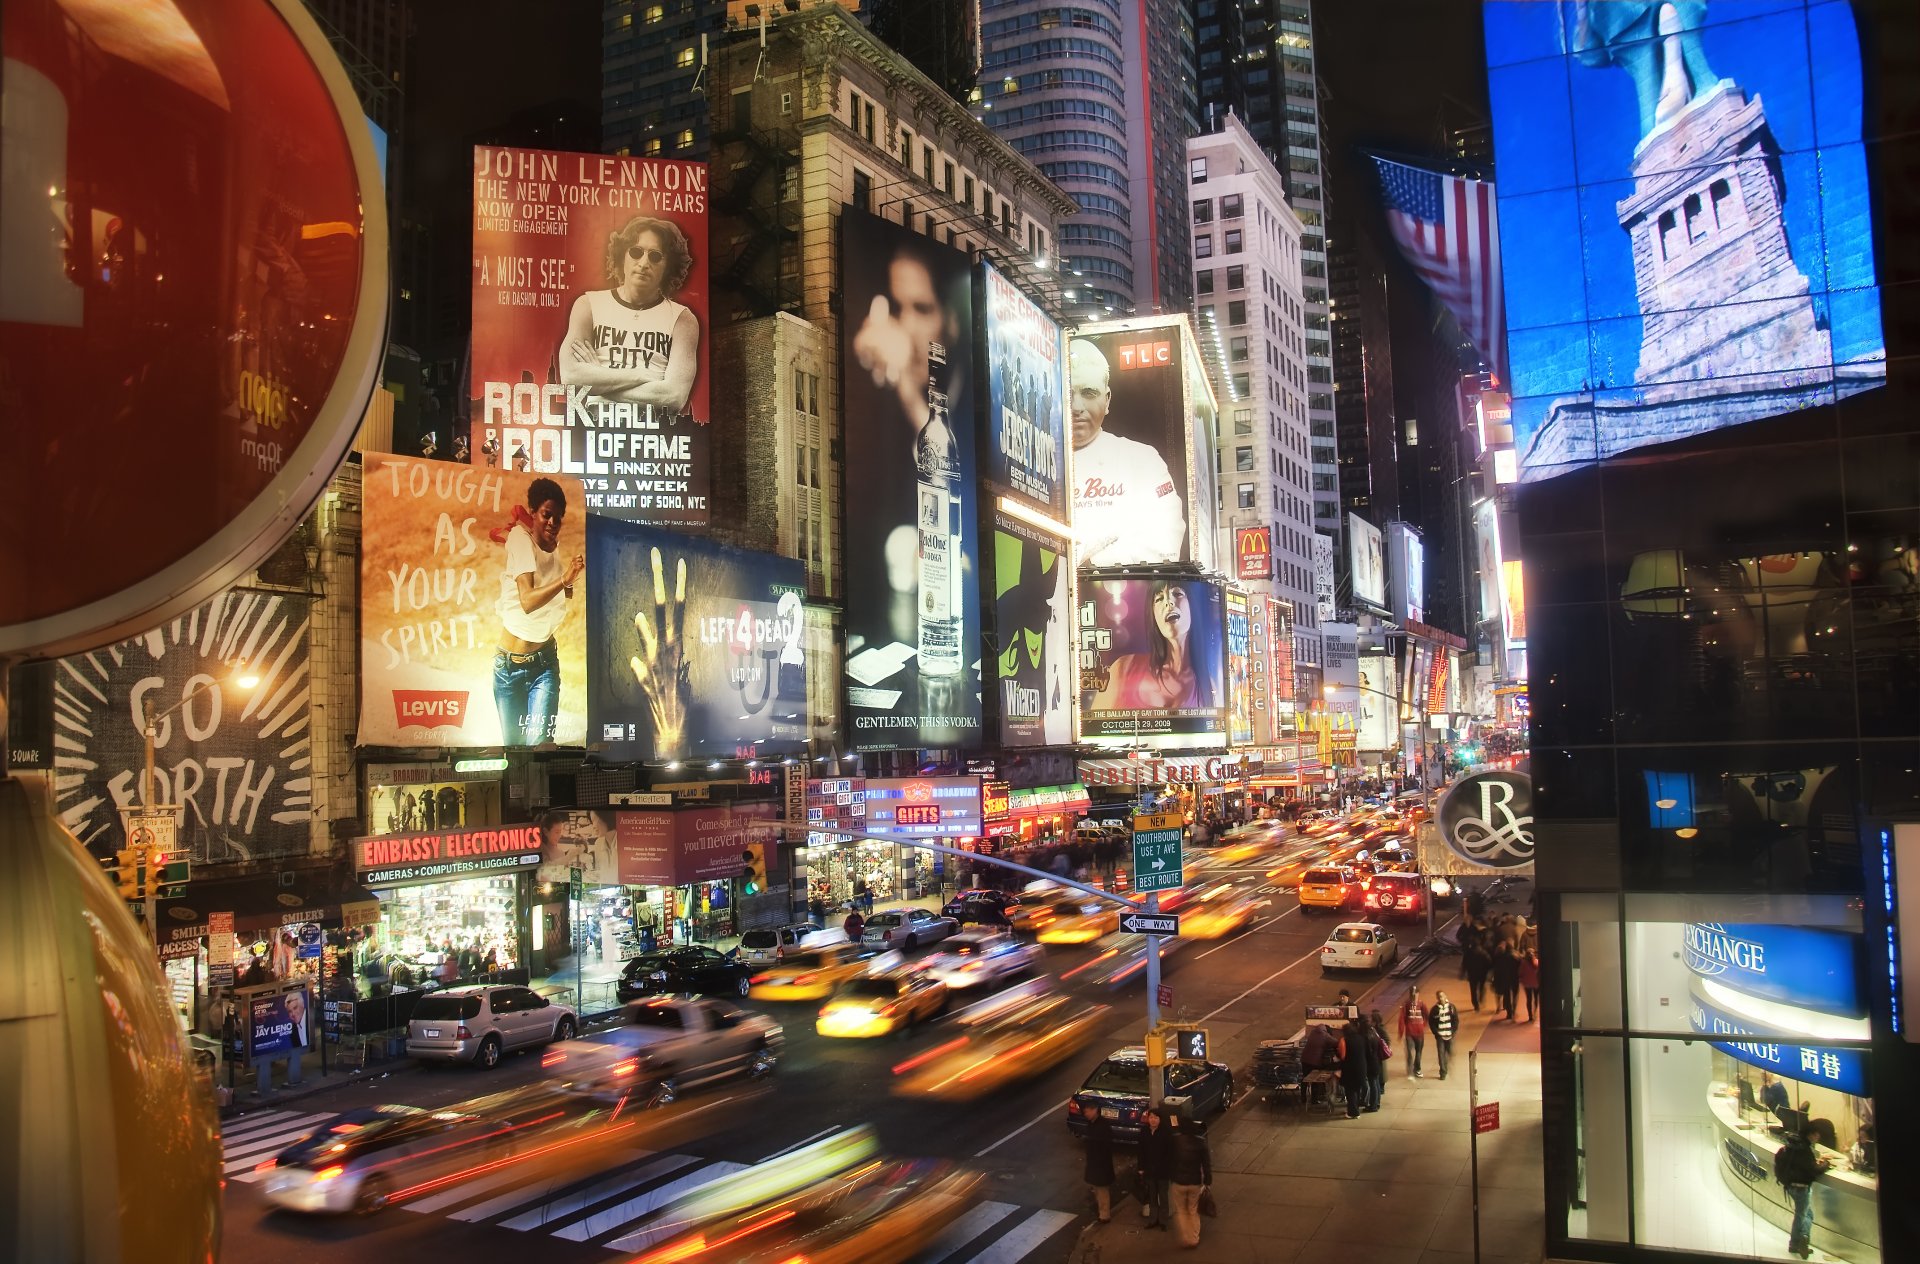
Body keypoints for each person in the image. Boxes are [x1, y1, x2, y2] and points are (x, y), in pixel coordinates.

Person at [560, 216, 701, 418]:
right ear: (622, 255)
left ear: (668, 266)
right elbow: (571, 377)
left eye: (655, 256)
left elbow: (673, 397)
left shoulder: (682, 320)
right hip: (595, 433)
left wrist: (599, 379)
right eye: (636, 252)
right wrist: (644, 375)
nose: (643, 263)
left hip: (653, 438)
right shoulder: (588, 305)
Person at [1067, 339, 1186, 567]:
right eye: (1067, 393)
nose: (1076, 406)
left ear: (1107, 399)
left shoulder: (1142, 460)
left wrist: (1092, 559)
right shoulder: (1030, 464)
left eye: (1089, 393)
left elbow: (1166, 538)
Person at [490, 476, 584, 746]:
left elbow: (557, 591)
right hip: (508, 668)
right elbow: (528, 601)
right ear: (532, 512)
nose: (553, 522)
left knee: (541, 749)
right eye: (547, 514)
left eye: (558, 517)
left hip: (544, 664)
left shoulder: (553, 546)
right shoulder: (521, 539)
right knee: (516, 755)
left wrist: (568, 583)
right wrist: (565, 580)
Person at [1091, 581, 1218, 713]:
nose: (1168, 602)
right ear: (1153, 615)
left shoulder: (1208, 686)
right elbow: (1091, 727)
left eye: (1177, 593)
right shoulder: (1122, 669)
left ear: (1193, 605)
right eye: (1159, 598)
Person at [1774, 1118, 1828, 1258]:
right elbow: (1813, 1170)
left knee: (1806, 1214)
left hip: (1790, 1185)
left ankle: (1801, 1239)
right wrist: (1825, 1164)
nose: (1818, 1137)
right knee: (1801, 1215)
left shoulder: (1792, 1143)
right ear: (1811, 1134)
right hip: (1801, 1188)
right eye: (1817, 1135)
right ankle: (1797, 1241)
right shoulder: (1805, 1150)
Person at [1165, 1115, 1213, 1249]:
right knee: (1193, 1210)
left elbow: (1169, 1160)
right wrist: (1208, 1180)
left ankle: (1185, 1237)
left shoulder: (1175, 1141)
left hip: (1178, 1181)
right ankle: (1194, 1238)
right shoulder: (1200, 1142)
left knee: (1180, 1210)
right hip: (1195, 1182)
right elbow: (1206, 1164)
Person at [1137, 1106, 1172, 1228]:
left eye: (1156, 1118)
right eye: (1151, 1117)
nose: (1153, 1120)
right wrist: (1140, 1168)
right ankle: (1153, 1219)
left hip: (1162, 1171)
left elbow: (1170, 1153)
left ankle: (1163, 1221)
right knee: (1152, 1196)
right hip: (1149, 1170)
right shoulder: (1144, 1132)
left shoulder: (1166, 1132)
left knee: (1163, 1196)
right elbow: (1140, 1151)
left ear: (1160, 1119)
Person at [1082, 1111, 1117, 1223]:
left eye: (1088, 1111)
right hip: (1095, 1163)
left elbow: (1105, 1145)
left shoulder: (1102, 1126)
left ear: (1095, 1111)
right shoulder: (1092, 1124)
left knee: (1102, 1190)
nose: (1086, 1114)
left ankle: (1104, 1215)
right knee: (1097, 1189)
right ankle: (1102, 1212)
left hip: (1101, 1164)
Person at [1337, 1015, 1371, 1119]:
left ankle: (1353, 1113)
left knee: (1350, 1091)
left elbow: (1342, 1056)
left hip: (1349, 1069)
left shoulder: (1344, 1040)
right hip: (1361, 1067)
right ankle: (1354, 1109)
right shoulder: (1361, 1038)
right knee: (1356, 1090)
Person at [1397, 987, 1429, 1079]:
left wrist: (1423, 1025)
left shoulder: (1422, 1004)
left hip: (1419, 1033)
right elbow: (1402, 1019)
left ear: (1418, 994)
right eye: (1412, 994)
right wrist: (1400, 1032)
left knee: (1418, 1052)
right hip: (1409, 1033)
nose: (1414, 996)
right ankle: (1410, 1070)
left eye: (1416, 994)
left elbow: (1427, 1015)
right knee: (1410, 1053)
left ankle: (1417, 1069)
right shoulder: (1406, 1005)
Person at [1429, 990, 1460, 1080]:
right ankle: (1443, 1072)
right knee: (1441, 1054)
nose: (1441, 998)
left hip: (1449, 1034)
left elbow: (1455, 1020)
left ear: (1445, 996)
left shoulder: (1451, 1007)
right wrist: (1436, 1032)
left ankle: (1446, 1064)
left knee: (1450, 1052)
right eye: (1439, 997)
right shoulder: (1435, 1009)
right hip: (1440, 1036)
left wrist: (1453, 1031)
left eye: (1442, 996)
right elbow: (1431, 1022)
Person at [1491, 937, 1522, 1022]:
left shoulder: (1501, 957)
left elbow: (1497, 968)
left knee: (1507, 996)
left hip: (1505, 979)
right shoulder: (1516, 956)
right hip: (1514, 978)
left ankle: (1509, 1013)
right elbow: (1520, 967)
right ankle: (1514, 1011)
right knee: (1515, 995)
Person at [1366, 1010, 1390, 1111]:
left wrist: (1379, 1051)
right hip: (1377, 1058)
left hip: (1377, 1058)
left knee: (1375, 1081)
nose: (1369, 1021)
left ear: (1374, 1021)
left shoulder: (1378, 1031)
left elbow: (1386, 1042)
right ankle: (1376, 1103)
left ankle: (1375, 1104)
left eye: (1371, 1020)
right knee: (1375, 1081)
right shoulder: (1374, 1030)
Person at [1518, 946, 1541, 1022]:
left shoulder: (1523, 963)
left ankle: (1530, 1016)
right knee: (1536, 999)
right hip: (1536, 984)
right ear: (1534, 954)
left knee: (1529, 999)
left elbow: (1520, 973)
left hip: (1527, 984)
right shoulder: (1537, 962)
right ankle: (1535, 1012)